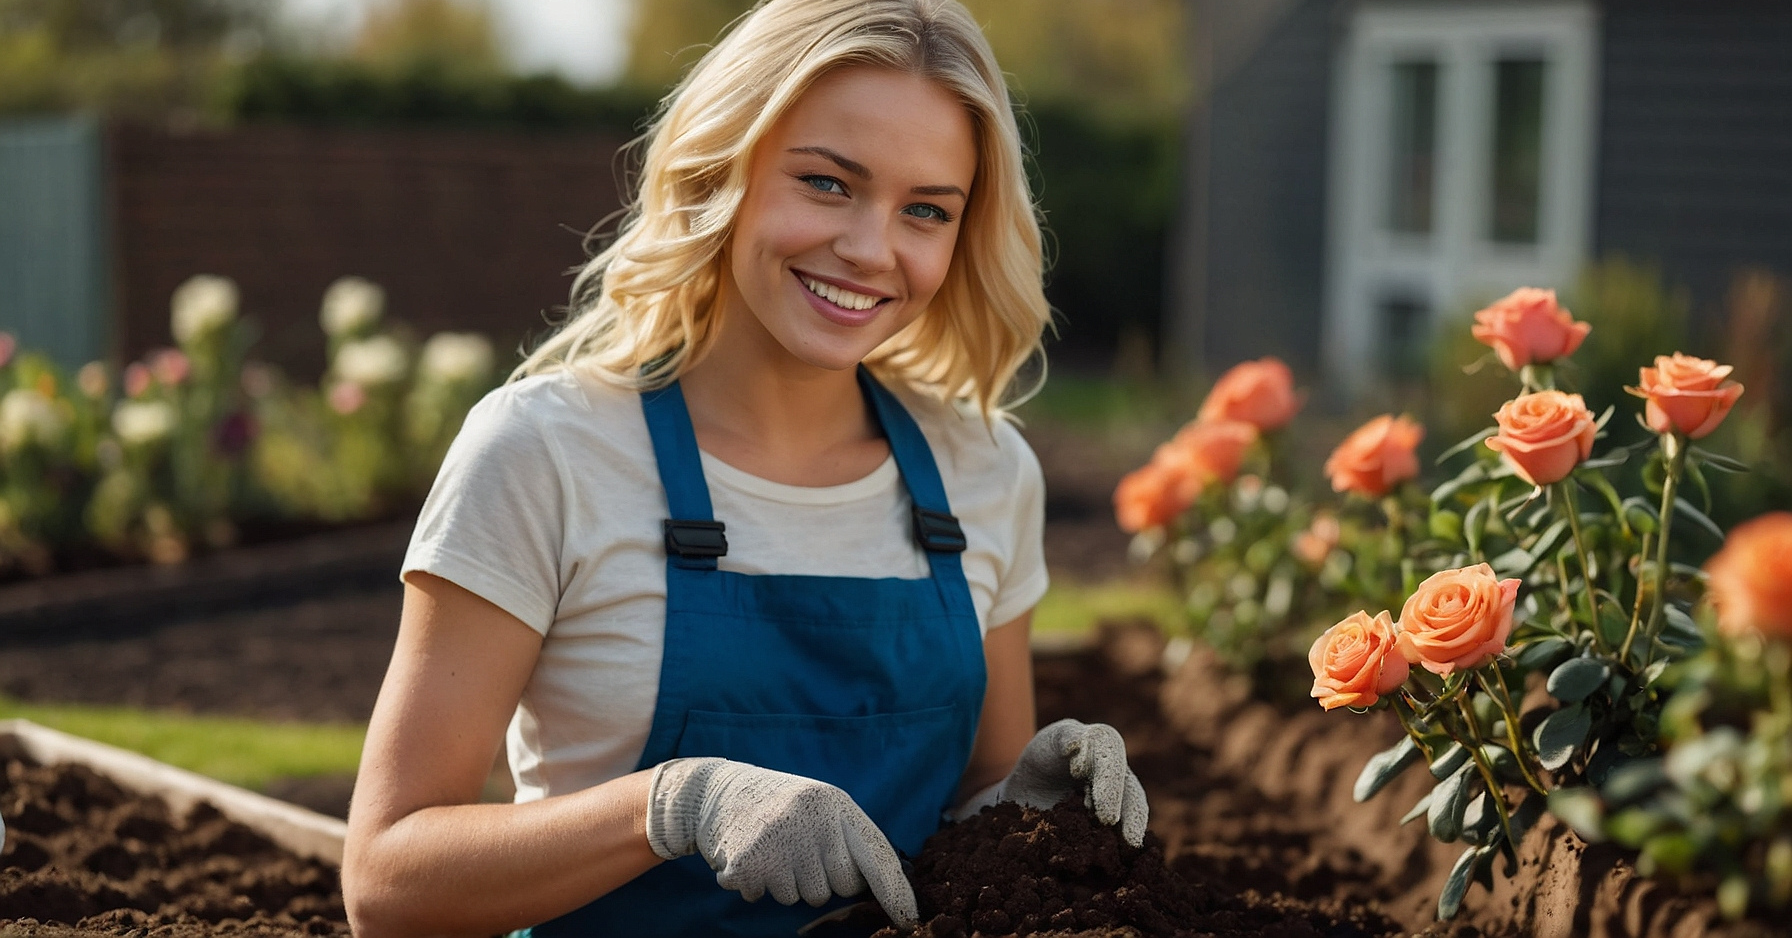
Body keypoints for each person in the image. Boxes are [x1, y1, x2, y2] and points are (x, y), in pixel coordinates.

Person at [340, 1, 1149, 935]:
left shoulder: (984, 472)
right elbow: (387, 883)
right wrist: (674, 807)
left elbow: (970, 810)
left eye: (926, 210)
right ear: (721, 166)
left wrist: (1024, 804)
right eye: (827, 183)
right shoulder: (545, 454)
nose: (871, 249)